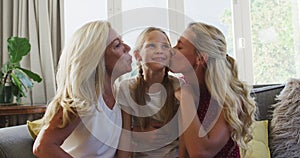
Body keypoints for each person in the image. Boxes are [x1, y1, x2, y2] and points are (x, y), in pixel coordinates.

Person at [32, 20, 132, 158]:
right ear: (97, 57)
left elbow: (124, 151)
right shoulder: (81, 99)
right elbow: (42, 147)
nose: (127, 48)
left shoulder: (121, 97)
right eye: (117, 45)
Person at [169, 22, 256, 157]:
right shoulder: (187, 91)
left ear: (200, 58)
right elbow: (184, 152)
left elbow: (201, 154)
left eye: (180, 47)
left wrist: (186, 98)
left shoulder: (228, 99)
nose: (171, 50)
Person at [116, 27, 180, 158]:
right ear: (137, 55)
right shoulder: (126, 88)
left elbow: (186, 136)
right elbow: (125, 136)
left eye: (165, 46)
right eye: (151, 45)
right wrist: (138, 134)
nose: (159, 51)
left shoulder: (178, 86)